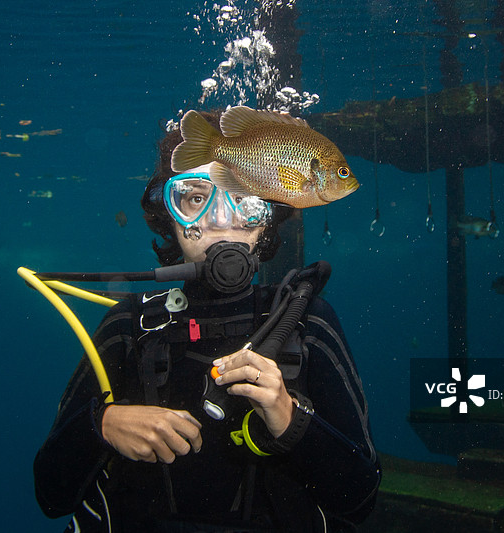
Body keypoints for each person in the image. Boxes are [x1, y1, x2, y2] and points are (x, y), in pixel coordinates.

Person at [33, 112, 381, 532]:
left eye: (244, 197)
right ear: (169, 213)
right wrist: (101, 424)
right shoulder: (128, 324)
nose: (220, 220)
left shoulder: (307, 321)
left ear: (268, 214)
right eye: (195, 198)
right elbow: (51, 495)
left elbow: (360, 499)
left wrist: (289, 418)